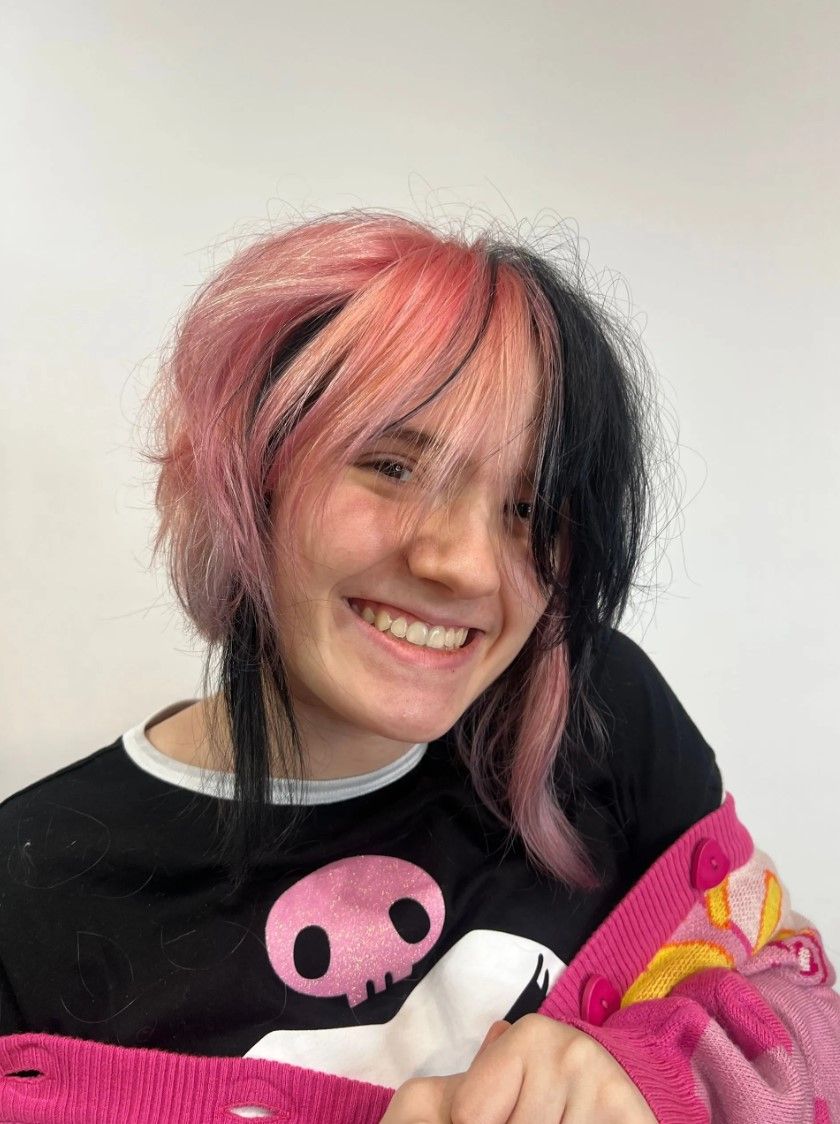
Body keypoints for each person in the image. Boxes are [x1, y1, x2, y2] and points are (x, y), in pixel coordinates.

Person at [0, 211, 837, 1123]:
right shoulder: (27, 898)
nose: (466, 565)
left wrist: (653, 1079)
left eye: (529, 507)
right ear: (248, 476)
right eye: (395, 467)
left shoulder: (600, 718)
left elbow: (800, 1013)